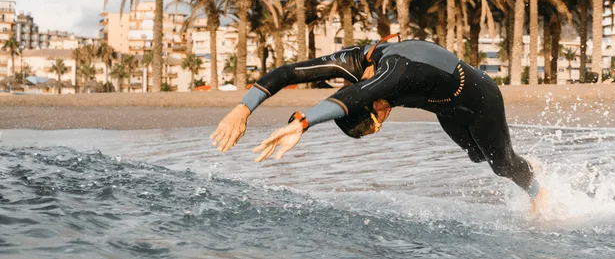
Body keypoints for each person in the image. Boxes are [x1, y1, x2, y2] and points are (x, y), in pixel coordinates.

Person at [210, 35, 548, 209]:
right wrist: (243, 109)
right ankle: (521, 172)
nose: (383, 120)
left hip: (482, 99)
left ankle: (538, 191)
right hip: (447, 110)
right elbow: (290, 72)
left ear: (372, 106)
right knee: (477, 156)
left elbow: (356, 97)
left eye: (375, 121)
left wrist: (301, 123)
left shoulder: (393, 72)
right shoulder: (359, 63)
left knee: (501, 164)